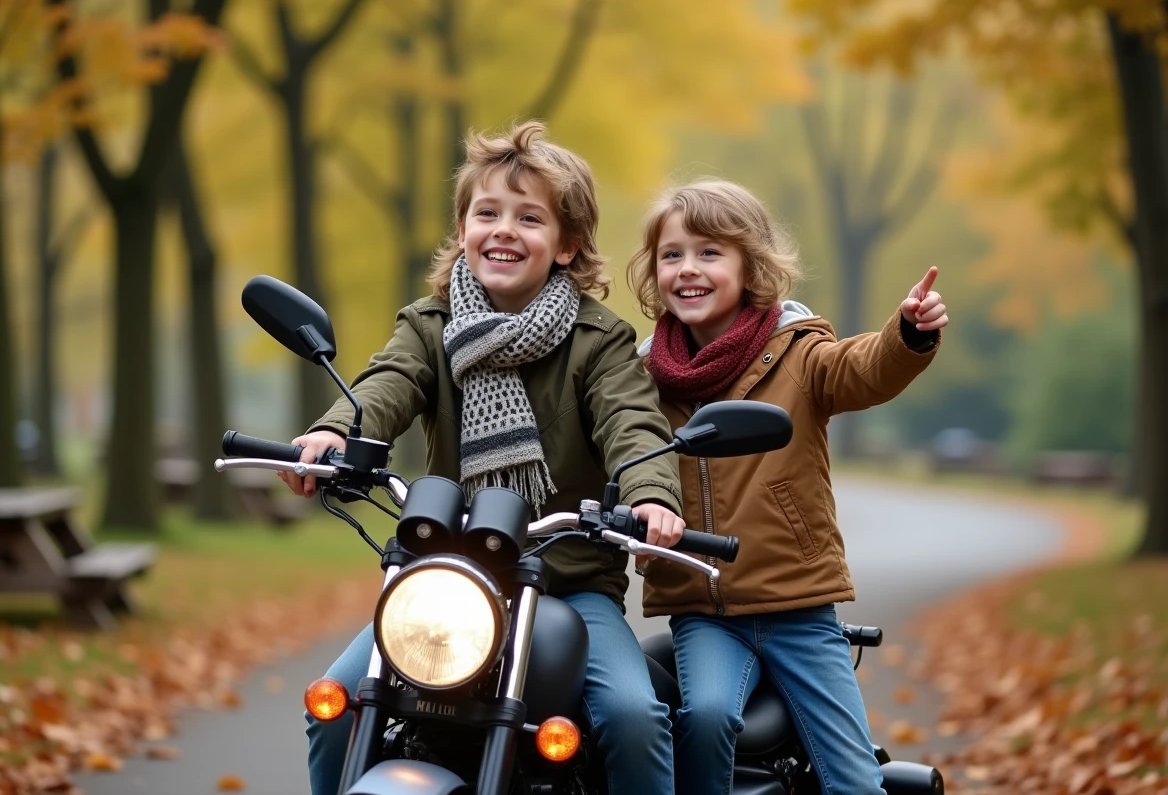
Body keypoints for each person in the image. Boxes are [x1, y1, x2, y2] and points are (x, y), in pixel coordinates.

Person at [283, 120, 685, 795]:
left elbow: (633, 423)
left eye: (530, 217)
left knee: (634, 718)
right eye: (487, 213)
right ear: (463, 228)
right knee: (336, 704)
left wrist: (650, 495)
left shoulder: (601, 342)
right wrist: (336, 435)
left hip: (568, 585)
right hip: (445, 582)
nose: (504, 230)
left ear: (567, 245)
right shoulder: (430, 324)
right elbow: (388, 383)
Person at [627, 178, 948, 795]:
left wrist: (907, 335)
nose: (688, 268)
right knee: (706, 718)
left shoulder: (799, 353)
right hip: (706, 614)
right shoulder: (643, 380)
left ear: (751, 267)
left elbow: (863, 370)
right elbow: (618, 452)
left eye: (709, 252)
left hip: (799, 608)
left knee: (854, 778)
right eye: (672, 255)